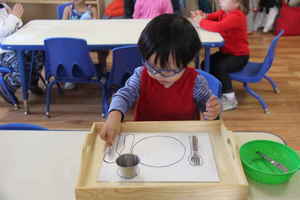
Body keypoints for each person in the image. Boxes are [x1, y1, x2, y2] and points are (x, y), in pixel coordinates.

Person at [99, 14, 221, 145]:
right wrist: (115, 114)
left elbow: (208, 109)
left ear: (186, 64)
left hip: (184, 138)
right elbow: (124, 95)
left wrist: (212, 111)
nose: (157, 74)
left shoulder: (196, 82)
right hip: (146, 137)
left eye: (167, 71)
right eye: (151, 67)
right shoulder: (141, 75)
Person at [191, 0, 250, 111]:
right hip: (227, 53)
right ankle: (214, 90)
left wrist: (201, 21)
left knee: (220, 67)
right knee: (205, 63)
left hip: (239, 56)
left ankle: (230, 99)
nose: (219, 0)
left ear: (237, 3)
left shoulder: (237, 16)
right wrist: (202, 16)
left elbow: (218, 27)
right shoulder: (224, 12)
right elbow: (210, 17)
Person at [0, 1, 44, 105]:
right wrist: (14, 16)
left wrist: (16, 17)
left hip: (14, 45)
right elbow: (3, 31)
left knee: (38, 52)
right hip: (3, 51)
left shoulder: (4, 6)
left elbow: (16, 25)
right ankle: (7, 87)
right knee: (21, 67)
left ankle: (32, 82)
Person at [62, 0, 98, 90]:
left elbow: (97, 26)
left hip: (89, 40)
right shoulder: (68, 9)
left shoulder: (92, 9)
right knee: (67, 49)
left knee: (102, 50)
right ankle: (70, 77)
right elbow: (62, 27)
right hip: (72, 40)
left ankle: (100, 71)